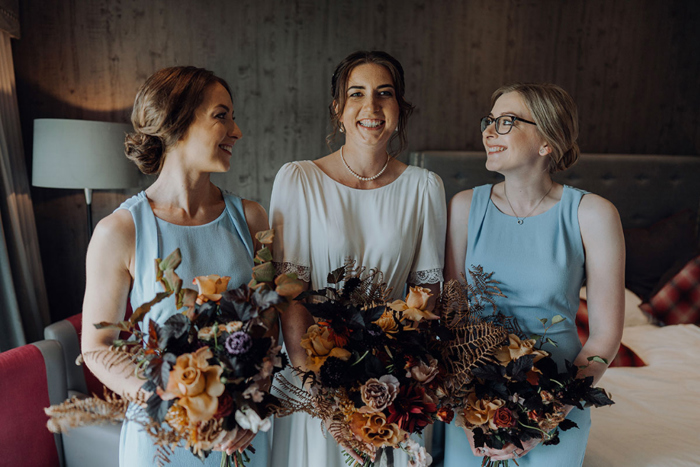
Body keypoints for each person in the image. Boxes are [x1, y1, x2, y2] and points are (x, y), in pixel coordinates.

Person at [81, 66, 272, 467]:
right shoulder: (119, 231)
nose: (236, 131)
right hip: (162, 440)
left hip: (241, 437)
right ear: (177, 121)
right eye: (222, 116)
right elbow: (96, 348)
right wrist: (173, 397)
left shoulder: (252, 219)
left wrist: (255, 400)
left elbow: (268, 324)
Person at [269, 50, 447, 467]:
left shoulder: (425, 188)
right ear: (338, 109)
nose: (372, 107)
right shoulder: (298, 180)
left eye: (384, 94)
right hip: (313, 380)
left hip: (390, 382)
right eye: (357, 94)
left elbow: (428, 295)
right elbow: (290, 294)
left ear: (400, 109)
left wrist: (395, 386)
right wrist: (322, 395)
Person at [443, 83, 625, 466]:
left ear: (547, 141)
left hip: (559, 396)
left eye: (506, 121)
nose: (488, 131)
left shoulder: (593, 214)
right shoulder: (463, 208)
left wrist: (545, 417)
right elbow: (452, 321)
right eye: (488, 121)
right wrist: (468, 409)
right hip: (473, 400)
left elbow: (606, 334)